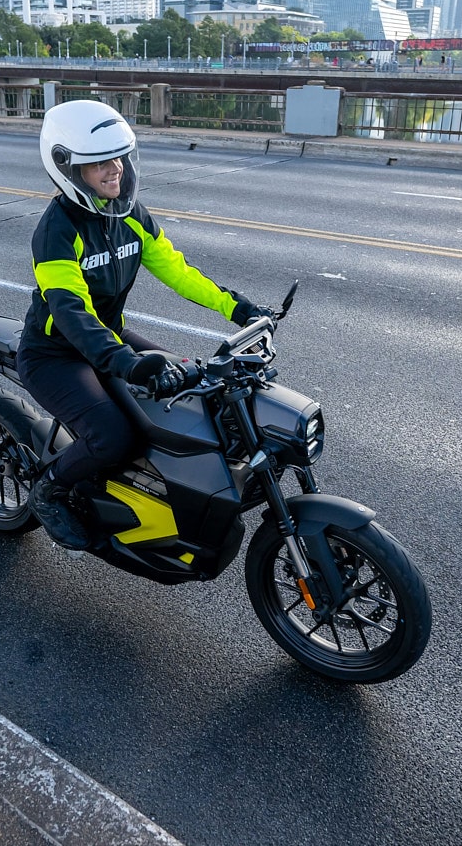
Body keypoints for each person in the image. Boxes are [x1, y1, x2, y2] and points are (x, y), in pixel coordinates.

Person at [17, 100, 274, 549]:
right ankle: (49, 491)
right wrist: (128, 363)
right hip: (55, 353)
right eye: (97, 162)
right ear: (68, 168)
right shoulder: (56, 231)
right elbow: (71, 313)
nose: (114, 168)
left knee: (192, 392)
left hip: (109, 341)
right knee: (112, 436)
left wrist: (239, 308)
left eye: (117, 157)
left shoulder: (130, 214)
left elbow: (178, 271)